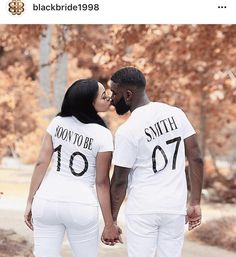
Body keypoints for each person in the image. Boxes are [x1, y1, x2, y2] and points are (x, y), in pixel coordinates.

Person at [108, 67, 204, 257]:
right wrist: (195, 202)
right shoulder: (176, 114)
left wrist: (111, 221)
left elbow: (119, 180)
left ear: (128, 95)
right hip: (174, 208)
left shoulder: (127, 131)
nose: (111, 98)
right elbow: (196, 157)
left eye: (114, 93)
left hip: (143, 209)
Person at [24, 79, 121, 257]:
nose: (108, 98)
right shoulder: (103, 135)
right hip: (81, 204)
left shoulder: (57, 122)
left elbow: (41, 163)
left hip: (47, 201)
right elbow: (101, 183)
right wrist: (109, 224)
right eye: (103, 95)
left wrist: (30, 200)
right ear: (89, 103)